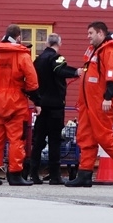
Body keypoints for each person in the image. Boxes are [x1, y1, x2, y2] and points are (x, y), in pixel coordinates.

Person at [65, 21, 113, 189]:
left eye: (91, 33)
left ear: (100, 33)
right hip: (88, 105)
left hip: (101, 104)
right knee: (86, 138)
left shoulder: (109, 51)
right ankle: (84, 174)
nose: (88, 36)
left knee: (106, 138)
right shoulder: (95, 51)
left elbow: (112, 76)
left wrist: (108, 98)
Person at [0, 25, 40, 186]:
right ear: (18, 37)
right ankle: (15, 174)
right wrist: (36, 100)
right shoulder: (21, 54)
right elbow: (32, 80)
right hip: (15, 100)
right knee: (16, 139)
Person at [29, 33, 79, 184]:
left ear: (46, 44)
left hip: (41, 105)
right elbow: (60, 70)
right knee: (55, 141)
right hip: (56, 106)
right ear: (59, 43)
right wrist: (76, 72)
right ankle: (55, 176)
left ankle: (33, 174)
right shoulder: (57, 58)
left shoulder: (37, 60)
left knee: (38, 141)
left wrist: (36, 100)